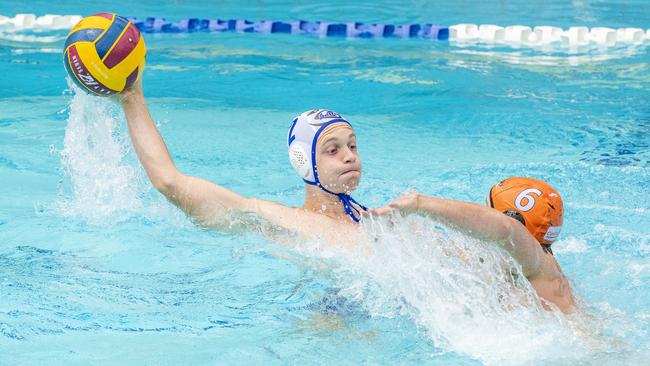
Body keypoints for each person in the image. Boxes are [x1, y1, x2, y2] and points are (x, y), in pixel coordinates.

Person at [118, 79, 574, 312]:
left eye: (353, 145)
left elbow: (488, 259)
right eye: (333, 149)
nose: (349, 156)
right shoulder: (275, 219)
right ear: (304, 162)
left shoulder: (388, 222)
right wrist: (132, 99)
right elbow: (170, 183)